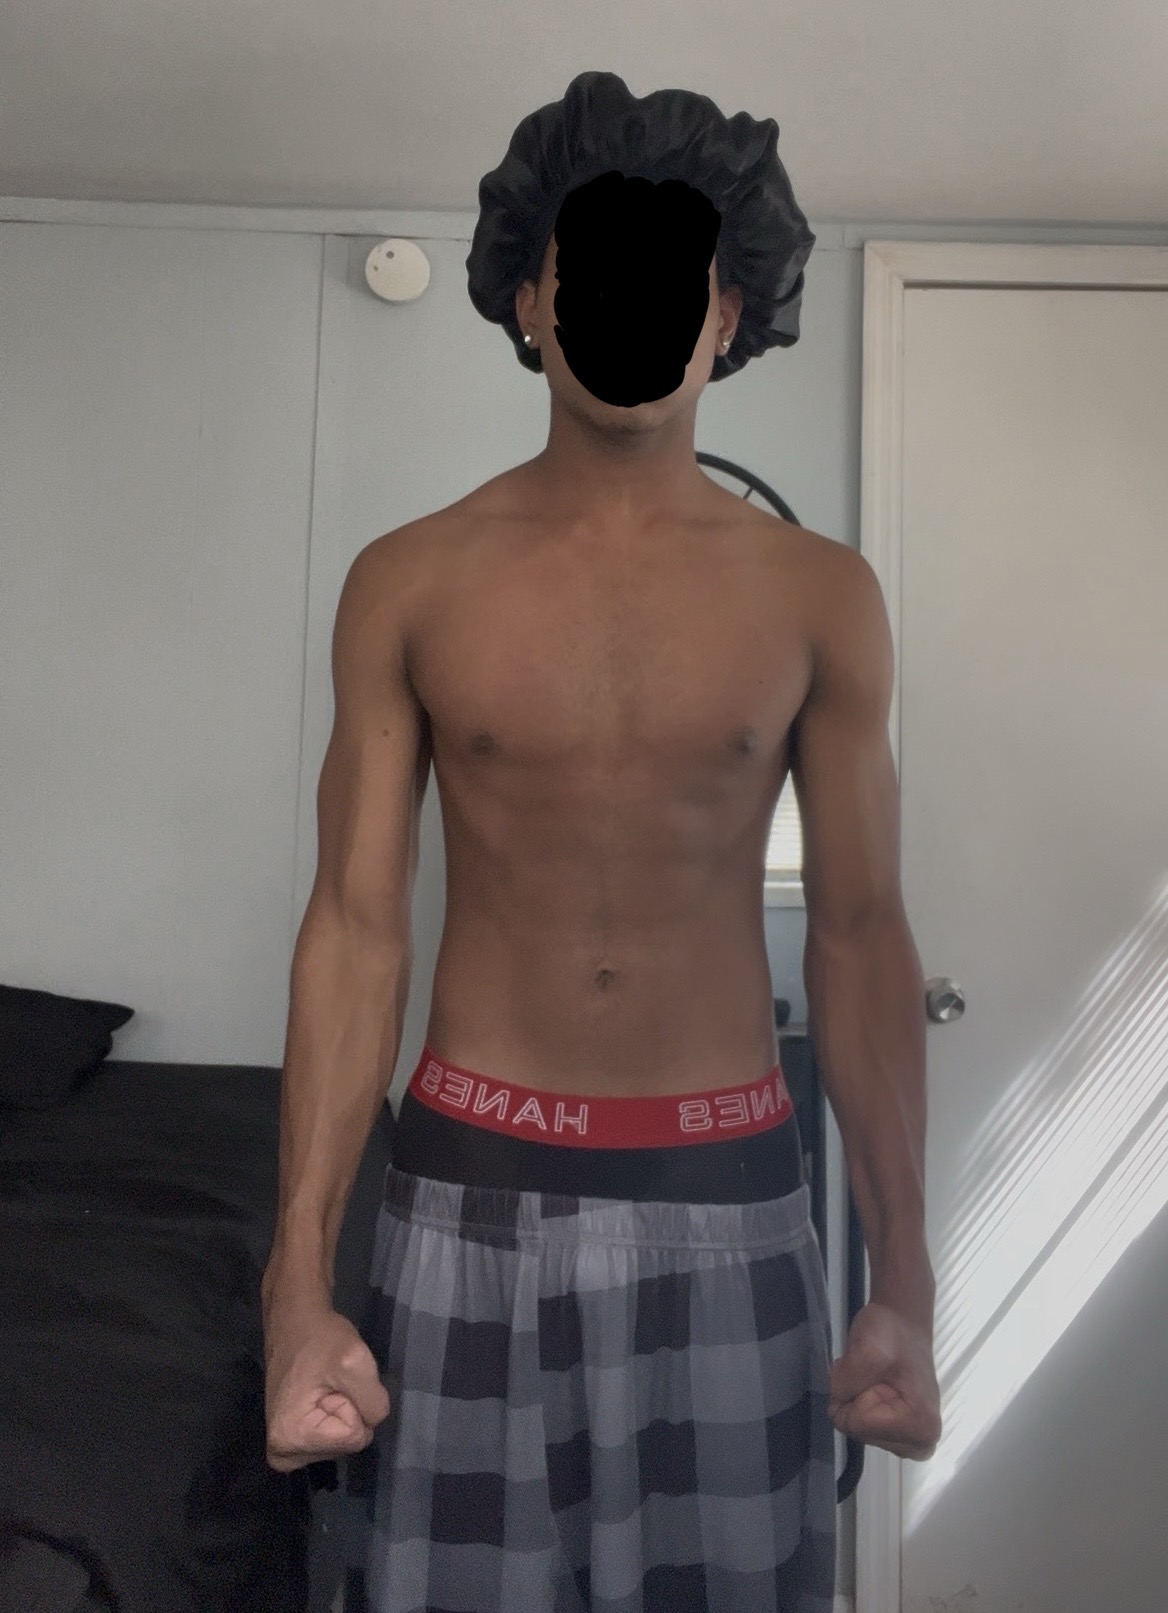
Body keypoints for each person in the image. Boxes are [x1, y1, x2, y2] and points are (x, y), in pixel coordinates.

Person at [261, 71, 940, 1613]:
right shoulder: (408, 581)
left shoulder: (821, 594)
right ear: (528, 297)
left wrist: (904, 1279)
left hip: (732, 1208)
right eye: (595, 265)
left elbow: (861, 934)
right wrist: (295, 1288)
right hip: (464, 1203)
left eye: (672, 272)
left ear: (727, 310)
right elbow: (354, 929)